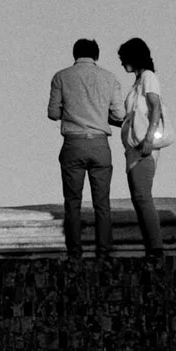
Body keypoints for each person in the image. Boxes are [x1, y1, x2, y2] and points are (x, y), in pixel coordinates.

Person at [47, 38, 126, 260]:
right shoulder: (110, 78)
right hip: (100, 144)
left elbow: (53, 113)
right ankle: (103, 252)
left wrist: (73, 112)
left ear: (74, 54)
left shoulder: (61, 77)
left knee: (72, 202)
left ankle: (75, 252)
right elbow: (120, 115)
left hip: (73, 143)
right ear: (96, 56)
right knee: (102, 202)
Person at [115, 37, 166, 261]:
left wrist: (149, 137)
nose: (121, 63)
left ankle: (156, 248)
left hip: (143, 145)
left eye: (124, 58)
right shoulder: (138, 82)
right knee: (138, 197)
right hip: (134, 146)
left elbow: (155, 106)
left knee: (143, 196)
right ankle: (151, 248)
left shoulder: (148, 77)